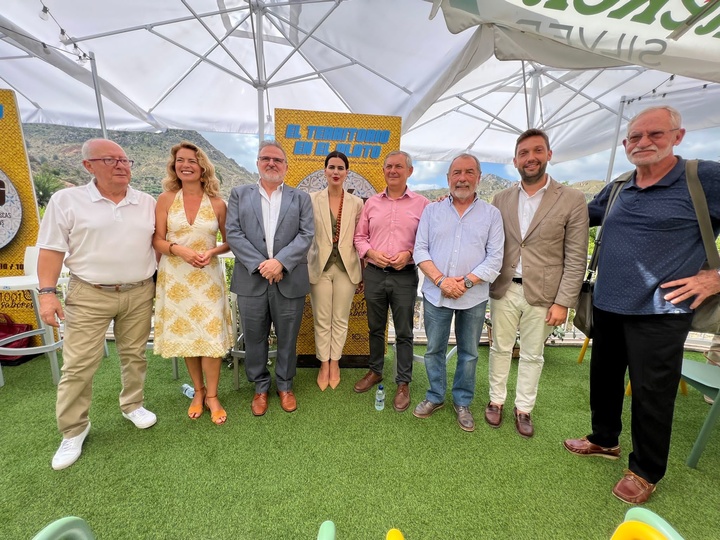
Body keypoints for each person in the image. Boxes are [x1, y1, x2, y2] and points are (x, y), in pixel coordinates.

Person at [564, 106, 720, 504]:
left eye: (655, 134)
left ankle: (645, 470)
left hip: (662, 310)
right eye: (636, 137)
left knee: (652, 392)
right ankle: (604, 439)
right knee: (604, 379)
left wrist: (715, 277)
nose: (644, 142)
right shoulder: (619, 186)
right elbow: (579, 217)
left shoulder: (704, 178)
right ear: (625, 144)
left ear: (678, 136)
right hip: (609, 305)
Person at [37, 138, 157, 470]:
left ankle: (133, 405)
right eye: (110, 160)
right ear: (88, 165)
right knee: (78, 364)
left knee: (134, 355)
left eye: (125, 160)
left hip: (138, 289)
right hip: (89, 292)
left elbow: (157, 245)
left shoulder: (147, 202)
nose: (121, 165)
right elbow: (51, 250)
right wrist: (47, 293)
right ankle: (74, 428)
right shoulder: (67, 200)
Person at [486, 129, 588, 438]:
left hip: (545, 294)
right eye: (524, 153)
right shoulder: (500, 198)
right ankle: (496, 401)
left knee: (532, 354)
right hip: (504, 287)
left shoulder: (572, 199)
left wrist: (564, 302)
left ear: (548, 155)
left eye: (537, 151)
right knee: (499, 348)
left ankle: (524, 408)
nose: (531, 158)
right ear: (515, 160)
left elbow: (576, 256)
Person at [412, 154, 504, 431]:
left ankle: (462, 401)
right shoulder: (432, 210)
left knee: (469, 352)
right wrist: (442, 281)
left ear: (478, 177)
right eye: (456, 173)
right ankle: (435, 396)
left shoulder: (492, 215)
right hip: (436, 293)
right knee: (434, 349)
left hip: (473, 296)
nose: (461, 178)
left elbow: (495, 258)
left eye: (468, 172)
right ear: (448, 178)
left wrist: (463, 283)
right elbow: (420, 249)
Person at [226, 140, 314, 416]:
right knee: (254, 337)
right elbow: (233, 233)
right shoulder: (239, 194)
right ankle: (261, 387)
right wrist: (261, 264)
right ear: (258, 163)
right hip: (252, 280)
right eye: (266, 158)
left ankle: (285, 385)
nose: (271, 163)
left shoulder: (300, 198)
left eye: (277, 160)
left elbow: (306, 234)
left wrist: (281, 263)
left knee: (288, 337)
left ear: (286, 167)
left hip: (289, 279)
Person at [152, 141, 233, 424]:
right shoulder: (165, 199)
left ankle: (212, 395)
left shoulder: (218, 204)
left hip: (208, 278)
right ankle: (197, 392)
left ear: (202, 168)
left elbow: (229, 241)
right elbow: (157, 240)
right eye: (180, 160)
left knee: (209, 334)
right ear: (174, 166)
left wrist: (211, 251)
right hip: (176, 278)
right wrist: (179, 250)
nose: (185, 165)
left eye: (192, 161)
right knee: (188, 337)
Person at [353, 151, 429, 411]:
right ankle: (375, 371)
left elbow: (427, 241)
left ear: (410, 171)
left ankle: (403, 382)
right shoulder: (371, 203)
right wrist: (372, 253)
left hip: (404, 275)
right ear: (383, 170)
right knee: (375, 328)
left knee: (404, 332)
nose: (393, 170)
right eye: (389, 166)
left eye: (399, 166)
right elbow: (359, 238)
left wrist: (408, 254)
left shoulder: (423, 204)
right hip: (374, 273)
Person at [307, 151, 364, 390]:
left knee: (340, 319)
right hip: (319, 267)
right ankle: (323, 363)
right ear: (325, 171)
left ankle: (335, 362)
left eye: (341, 168)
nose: (336, 172)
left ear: (347, 172)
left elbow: (361, 237)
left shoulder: (357, 203)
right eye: (332, 167)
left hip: (346, 268)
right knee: (322, 319)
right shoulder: (311, 199)